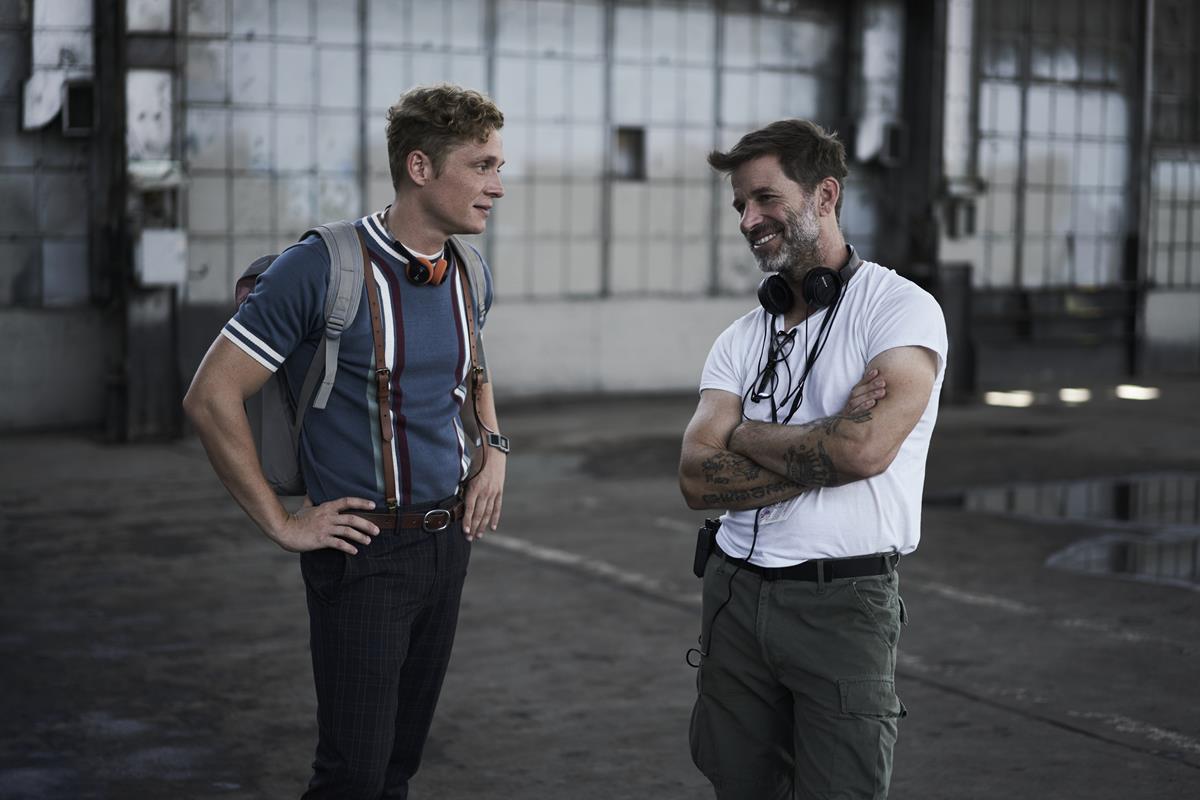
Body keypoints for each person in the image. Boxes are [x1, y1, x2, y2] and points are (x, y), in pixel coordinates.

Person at [183, 83, 508, 799]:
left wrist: (494, 451)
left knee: (397, 765)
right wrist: (281, 520)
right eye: (482, 166)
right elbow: (210, 395)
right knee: (352, 777)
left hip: (447, 542)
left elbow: (474, 365)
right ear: (420, 167)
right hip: (364, 552)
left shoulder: (470, 272)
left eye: (498, 166)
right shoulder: (322, 267)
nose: (498, 186)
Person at [678, 119, 948, 800]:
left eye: (765, 198)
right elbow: (694, 477)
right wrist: (818, 446)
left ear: (825, 195)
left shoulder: (898, 312)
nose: (748, 219)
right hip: (734, 599)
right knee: (738, 784)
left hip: (842, 604)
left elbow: (863, 450)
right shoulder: (742, 337)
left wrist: (743, 434)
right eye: (740, 204)